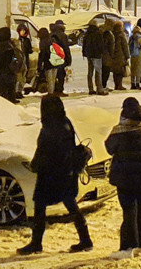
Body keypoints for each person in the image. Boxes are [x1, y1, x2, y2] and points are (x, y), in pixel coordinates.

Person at [18, 95, 92, 254]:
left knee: (40, 207)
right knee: (71, 206)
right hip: (66, 172)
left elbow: (42, 152)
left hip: (50, 174)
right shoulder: (65, 122)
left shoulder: (49, 127)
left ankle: (36, 243)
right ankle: (85, 239)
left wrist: (34, 166)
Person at [105, 97, 141, 256]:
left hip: (124, 177)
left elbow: (109, 148)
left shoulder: (119, 132)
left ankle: (129, 246)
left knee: (129, 209)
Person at [103, 20, 129, 91]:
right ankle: (120, 85)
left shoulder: (112, 33)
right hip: (120, 55)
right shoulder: (121, 34)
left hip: (113, 55)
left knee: (115, 71)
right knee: (120, 71)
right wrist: (127, 55)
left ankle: (116, 85)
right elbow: (125, 46)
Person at [82, 22, 107, 95]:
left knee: (90, 72)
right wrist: (102, 52)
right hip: (96, 55)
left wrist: (84, 53)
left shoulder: (87, 33)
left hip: (89, 55)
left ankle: (90, 88)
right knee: (98, 72)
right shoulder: (98, 33)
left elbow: (84, 44)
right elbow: (100, 44)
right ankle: (99, 88)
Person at [49, 22, 73, 95]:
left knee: (54, 74)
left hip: (52, 57)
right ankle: (59, 90)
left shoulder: (51, 34)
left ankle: (54, 89)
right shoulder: (62, 35)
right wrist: (69, 59)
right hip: (61, 57)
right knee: (61, 74)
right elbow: (66, 48)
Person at [128, 21, 141, 90]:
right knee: (139, 70)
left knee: (133, 69)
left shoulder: (131, 37)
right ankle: (137, 83)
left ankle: (132, 83)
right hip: (139, 55)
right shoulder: (140, 38)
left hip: (133, 55)